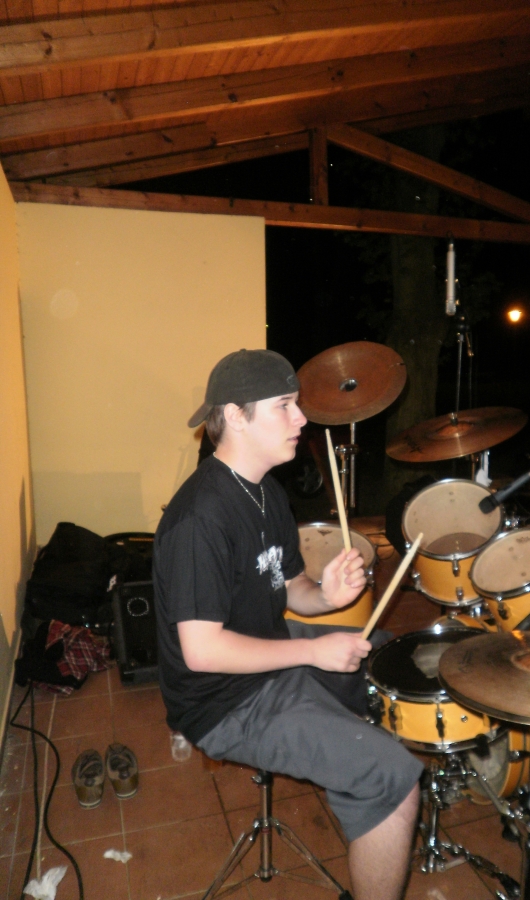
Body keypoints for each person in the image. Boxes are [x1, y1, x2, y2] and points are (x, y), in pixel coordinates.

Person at [153, 349, 422, 900]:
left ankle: (358, 771)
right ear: (235, 415)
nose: (301, 418)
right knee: (391, 779)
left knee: (393, 659)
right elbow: (202, 651)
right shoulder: (199, 518)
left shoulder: (267, 492)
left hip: (267, 651)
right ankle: (377, 789)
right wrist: (312, 653)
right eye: (284, 405)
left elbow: (290, 587)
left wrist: (327, 595)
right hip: (222, 701)